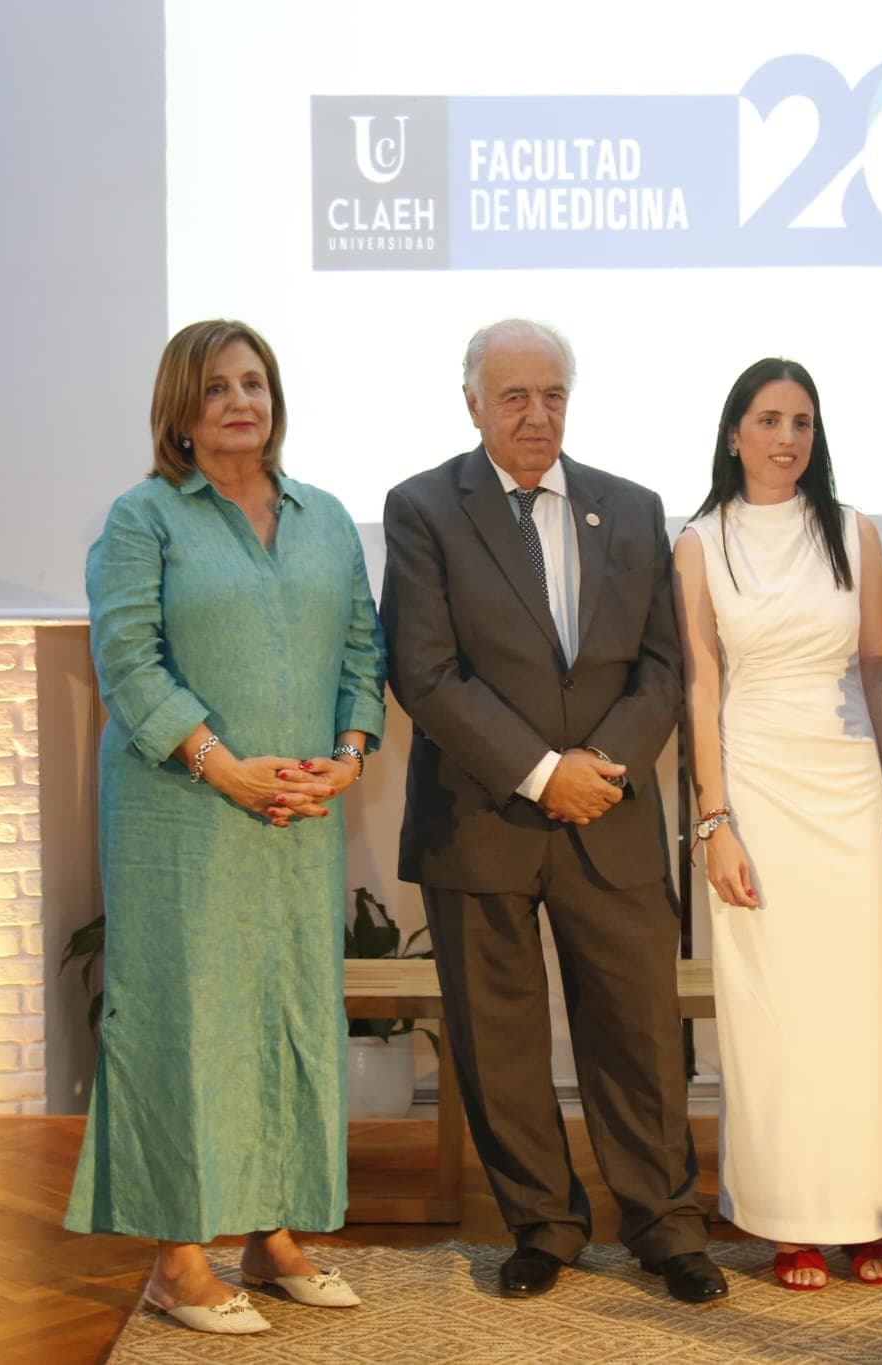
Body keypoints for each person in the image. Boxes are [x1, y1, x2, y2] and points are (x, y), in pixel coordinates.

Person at [380, 319, 725, 1305]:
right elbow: (424, 671)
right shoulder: (421, 509)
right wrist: (539, 772)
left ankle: (663, 1224)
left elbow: (662, 664)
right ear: (473, 405)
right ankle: (543, 1223)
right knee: (499, 1042)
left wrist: (597, 768)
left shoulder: (629, 507)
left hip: (607, 814)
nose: (536, 414)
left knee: (641, 1036)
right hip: (480, 817)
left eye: (552, 395)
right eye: (513, 397)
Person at [65, 320, 387, 1336]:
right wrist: (223, 766)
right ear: (181, 410)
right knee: (186, 1024)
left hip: (297, 812)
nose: (241, 402)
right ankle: (177, 1257)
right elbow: (127, 661)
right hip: (181, 815)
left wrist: (348, 754)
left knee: (288, 1012)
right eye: (217, 389)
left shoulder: (325, 518)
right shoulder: (143, 519)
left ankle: (275, 1236)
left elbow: (358, 646)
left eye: (254, 383)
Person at [673, 359, 882, 1290]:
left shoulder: (855, 533)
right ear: (735, 431)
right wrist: (714, 818)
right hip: (757, 790)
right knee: (773, 1011)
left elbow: (879, 665)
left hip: (849, 789)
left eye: (804, 422)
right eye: (770, 419)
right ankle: (786, 1219)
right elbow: (702, 684)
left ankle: (865, 1212)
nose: (788, 438)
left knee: (857, 1006)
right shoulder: (700, 543)